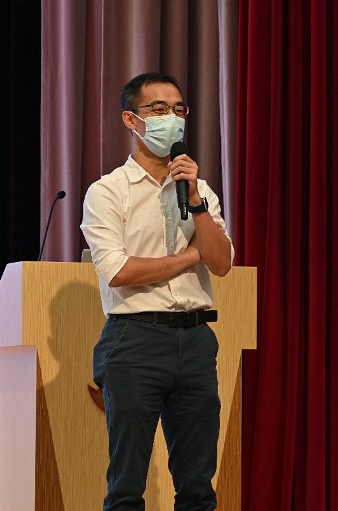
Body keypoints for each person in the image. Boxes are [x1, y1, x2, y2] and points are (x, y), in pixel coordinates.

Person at [81, 72, 234, 510]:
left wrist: (196, 202)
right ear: (131, 120)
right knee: (127, 484)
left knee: (198, 483)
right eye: (159, 110)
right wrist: (189, 258)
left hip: (196, 338)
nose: (173, 118)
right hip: (135, 339)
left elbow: (221, 263)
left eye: (179, 109)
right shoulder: (108, 191)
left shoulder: (200, 189)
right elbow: (119, 271)